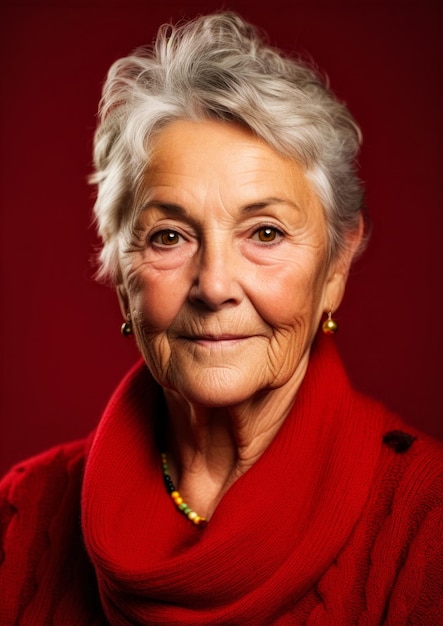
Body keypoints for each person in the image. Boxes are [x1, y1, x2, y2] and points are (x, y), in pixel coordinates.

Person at [1, 11, 442, 625]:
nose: (212, 286)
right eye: (169, 236)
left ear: (335, 266)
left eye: (265, 232)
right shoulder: (23, 518)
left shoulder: (426, 527)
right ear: (119, 271)